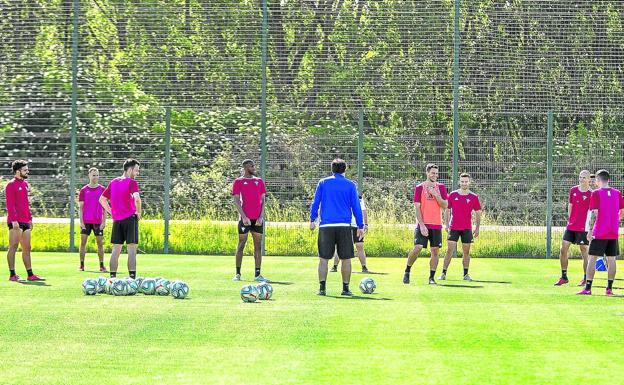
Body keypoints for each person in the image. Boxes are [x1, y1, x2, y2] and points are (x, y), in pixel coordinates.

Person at [310, 159, 364, 296]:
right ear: (344, 170)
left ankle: (322, 289)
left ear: (332, 169)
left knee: (323, 258)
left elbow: (315, 202)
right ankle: (345, 289)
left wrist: (312, 219)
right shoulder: (350, 185)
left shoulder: (323, 182)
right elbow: (356, 207)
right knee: (346, 258)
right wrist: (360, 225)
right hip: (344, 226)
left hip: (326, 226)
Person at [577, 170, 623, 296]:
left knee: (592, 258)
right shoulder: (617, 193)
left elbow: (593, 213)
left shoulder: (596, 193)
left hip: (600, 231)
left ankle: (588, 288)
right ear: (608, 179)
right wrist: (614, 220)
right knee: (611, 259)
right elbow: (622, 211)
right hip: (613, 231)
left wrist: (590, 230)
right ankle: (609, 289)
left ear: (598, 180)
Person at [403, 163, 448, 285]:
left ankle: (431, 278)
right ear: (427, 173)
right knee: (417, 248)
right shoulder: (419, 187)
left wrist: (436, 194)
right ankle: (407, 270)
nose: (435, 175)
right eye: (433, 173)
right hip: (423, 224)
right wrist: (421, 225)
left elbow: (445, 205)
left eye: (437, 173)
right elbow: (417, 208)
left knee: (435, 251)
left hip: (436, 224)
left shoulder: (441, 187)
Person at [99, 159, 141, 279]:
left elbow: (102, 199)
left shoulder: (113, 182)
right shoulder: (132, 183)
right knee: (131, 250)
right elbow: (137, 199)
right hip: (130, 219)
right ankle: (132, 279)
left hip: (117, 220)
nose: (137, 173)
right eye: (136, 170)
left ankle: (112, 279)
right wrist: (138, 212)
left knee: (116, 250)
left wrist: (112, 212)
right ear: (130, 169)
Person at [5, 160, 43, 282]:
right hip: (15, 222)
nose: (27, 172)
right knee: (13, 246)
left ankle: (30, 274)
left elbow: (26, 204)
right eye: (25, 170)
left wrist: (30, 219)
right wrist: (14, 221)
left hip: (25, 220)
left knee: (27, 247)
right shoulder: (11, 185)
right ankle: (12, 275)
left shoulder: (25, 184)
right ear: (18, 171)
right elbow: (10, 205)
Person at [439, 173, 481, 281]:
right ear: (459, 182)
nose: (464, 183)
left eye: (466, 181)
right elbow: (447, 210)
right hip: (453, 228)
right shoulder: (453, 194)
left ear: (469, 182)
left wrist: (477, 228)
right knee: (449, 250)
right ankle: (443, 273)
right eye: (462, 181)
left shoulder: (473, 197)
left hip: (467, 228)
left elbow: (478, 212)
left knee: (466, 252)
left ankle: (466, 274)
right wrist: (447, 224)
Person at [232, 159, 268, 282]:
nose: (254, 168)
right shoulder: (238, 182)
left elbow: (263, 200)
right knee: (241, 244)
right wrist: (243, 216)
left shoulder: (259, 181)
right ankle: (237, 274)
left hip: (257, 220)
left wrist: (261, 216)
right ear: (246, 167)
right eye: (252, 166)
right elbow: (236, 201)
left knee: (258, 246)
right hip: (245, 219)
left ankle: (258, 275)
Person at [554, 170, 591, 286]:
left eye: (584, 177)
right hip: (571, 226)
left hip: (584, 227)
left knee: (584, 250)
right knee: (563, 249)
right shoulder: (573, 190)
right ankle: (564, 276)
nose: (581, 179)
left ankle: (586, 278)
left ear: (589, 179)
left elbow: (594, 212)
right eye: (580, 177)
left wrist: (590, 227)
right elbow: (570, 206)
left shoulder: (592, 193)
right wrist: (570, 220)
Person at [78, 168, 107, 272]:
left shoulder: (102, 189)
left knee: (100, 243)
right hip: (86, 221)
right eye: (93, 175)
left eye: (97, 175)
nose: (95, 177)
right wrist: (81, 222)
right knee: (83, 243)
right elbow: (81, 208)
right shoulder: (83, 190)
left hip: (98, 221)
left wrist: (104, 221)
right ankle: (81, 265)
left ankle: (102, 265)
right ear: (89, 176)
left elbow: (105, 207)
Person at [331, 194, 369, 273]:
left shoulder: (349, 198)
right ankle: (363, 267)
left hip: (351, 225)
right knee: (344, 246)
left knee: (358, 246)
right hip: (349, 225)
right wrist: (365, 224)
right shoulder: (357, 199)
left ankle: (363, 266)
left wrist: (365, 224)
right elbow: (364, 212)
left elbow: (364, 211)